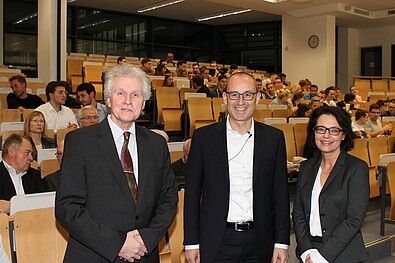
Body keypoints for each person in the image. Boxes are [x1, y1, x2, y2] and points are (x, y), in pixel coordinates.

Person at [55, 64, 178, 263]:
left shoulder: (157, 144)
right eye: (121, 93)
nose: (128, 101)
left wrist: (146, 239)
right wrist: (117, 244)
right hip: (95, 255)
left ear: (144, 103)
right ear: (108, 99)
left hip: (144, 254)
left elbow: (168, 200)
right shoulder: (79, 142)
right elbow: (67, 207)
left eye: (136, 95)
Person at [184, 72, 289, 263]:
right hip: (217, 240)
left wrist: (281, 242)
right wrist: (191, 243)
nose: (241, 101)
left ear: (257, 98)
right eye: (234, 95)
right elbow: (192, 195)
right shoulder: (203, 138)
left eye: (248, 94)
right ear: (224, 97)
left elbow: (281, 194)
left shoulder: (274, 139)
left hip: (261, 240)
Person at [293, 106, 369, 263]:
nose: (326, 135)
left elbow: (354, 220)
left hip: (342, 254)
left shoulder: (356, 168)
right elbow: (299, 212)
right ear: (313, 132)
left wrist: (321, 257)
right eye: (321, 129)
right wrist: (307, 250)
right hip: (309, 253)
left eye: (334, 130)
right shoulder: (307, 167)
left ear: (343, 135)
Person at [0, 134, 49, 213]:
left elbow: (44, 203)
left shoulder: (34, 175)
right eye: (27, 153)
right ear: (11, 152)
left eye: (31, 154)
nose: (31, 158)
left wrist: (12, 206)